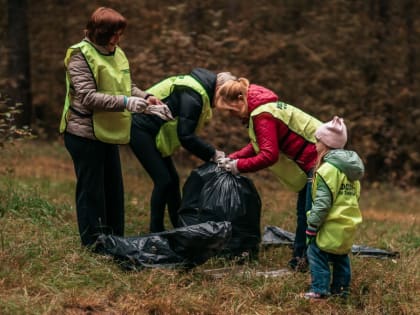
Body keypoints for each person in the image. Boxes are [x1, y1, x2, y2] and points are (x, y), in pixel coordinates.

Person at [59, 7, 172, 250]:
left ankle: (115, 241)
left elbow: (125, 86)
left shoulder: (117, 52)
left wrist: (148, 97)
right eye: (113, 34)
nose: (117, 39)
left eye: (119, 34)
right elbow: (88, 96)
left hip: (109, 132)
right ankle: (94, 246)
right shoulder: (80, 55)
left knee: (113, 189)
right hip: (84, 132)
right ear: (99, 32)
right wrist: (126, 103)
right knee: (92, 192)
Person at [215, 78, 321, 271]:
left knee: (308, 216)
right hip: (317, 161)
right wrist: (232, 158)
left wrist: (237, 166)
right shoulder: (263, 107)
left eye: (231, 110)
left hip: (320, 163)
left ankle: (302, 263)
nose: (231, 116)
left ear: (241, 98)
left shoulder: (262, 114)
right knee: (306, 213)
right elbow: (259, 143)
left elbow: (268, 155)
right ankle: (303, 260)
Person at [129, 68, 237, 233]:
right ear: (218, 90)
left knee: (173, 180)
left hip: (151, 132)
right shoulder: (193, 94)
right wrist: (213, 154)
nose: (222, 105)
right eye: (224, 98)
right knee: (163, 180)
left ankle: (178, 226)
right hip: (139, 129)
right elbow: (185, 136)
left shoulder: (196, 89)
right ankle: (155, 231)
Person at [303, 116, 364, 299]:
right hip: (347, 224)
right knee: (341, 257)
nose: (315, 145)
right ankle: (341, 291)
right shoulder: (351, 171)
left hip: (329, 224)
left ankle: (319, 290)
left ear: (326, 144)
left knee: (316, 252)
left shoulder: (327, 170)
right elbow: (355, 196)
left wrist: (312, 226)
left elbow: (322, 204)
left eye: (317, 141)